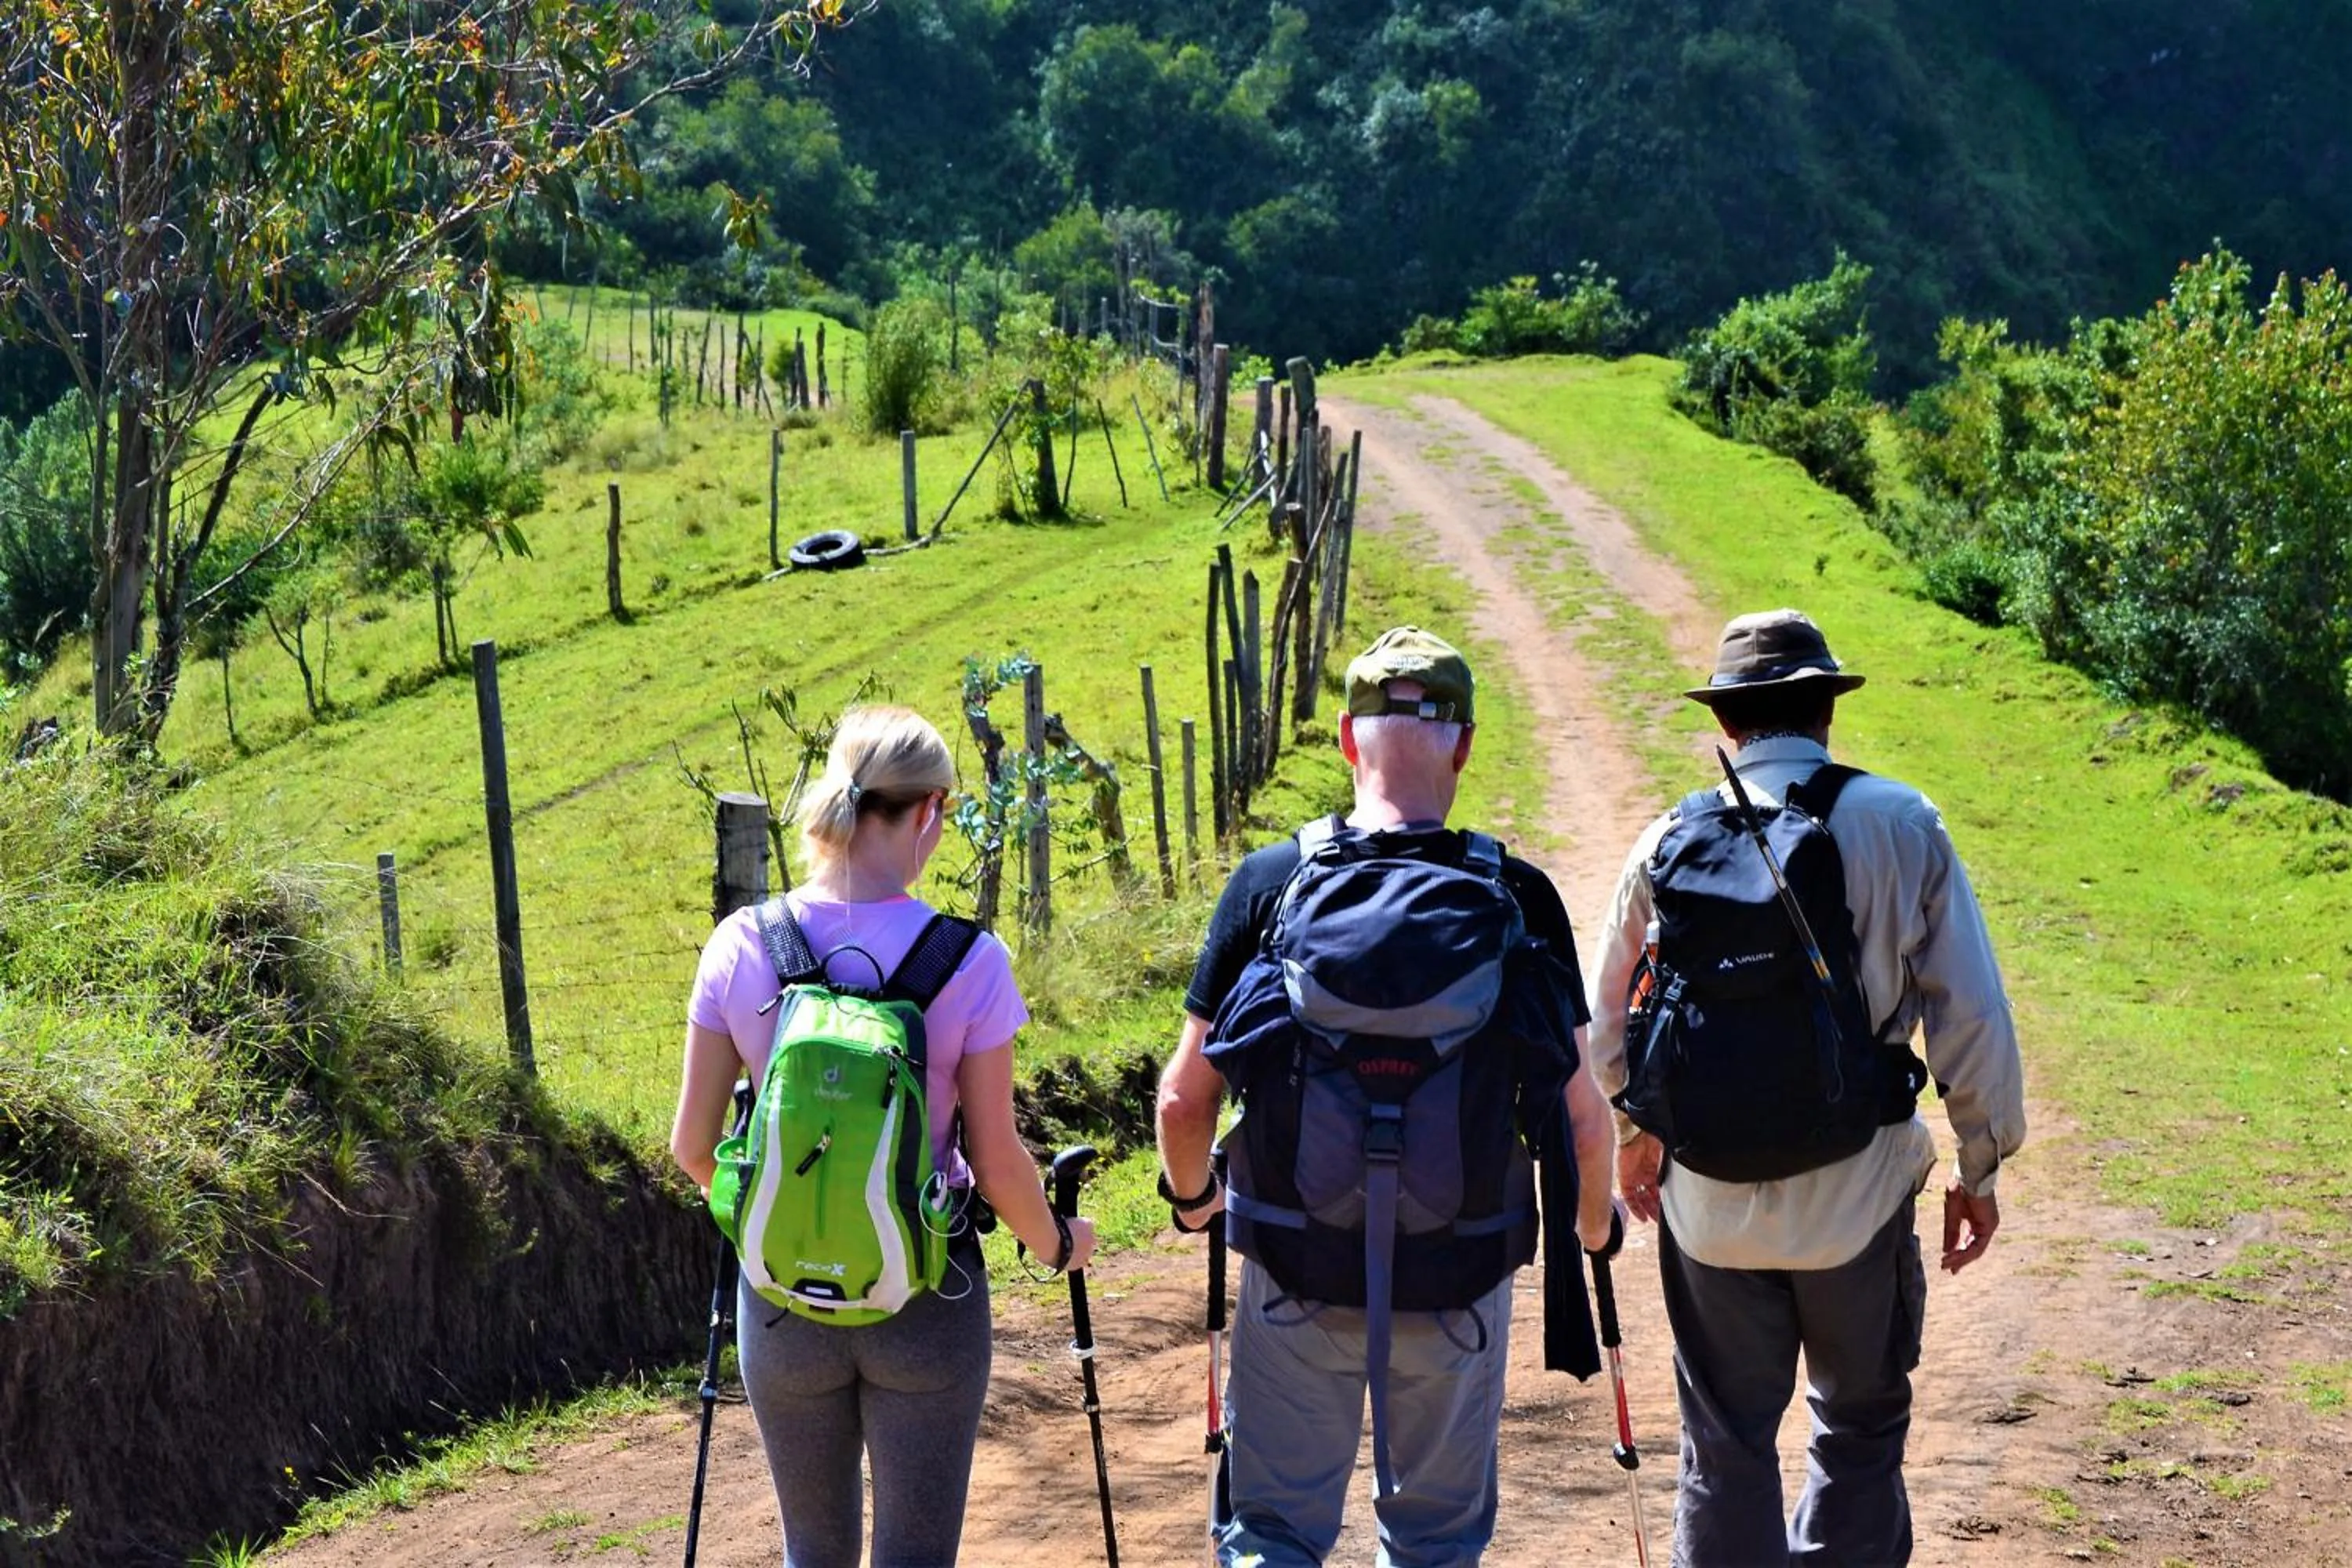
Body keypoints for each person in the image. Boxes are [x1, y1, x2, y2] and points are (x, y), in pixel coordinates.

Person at [1156, 626, 1617, 1568]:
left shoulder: (1272, 883)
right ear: (1464, 744)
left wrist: (1194, 1197)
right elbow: (1582, 1120)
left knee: (1272, 1535)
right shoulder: (1517, 892)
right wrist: (1596, 1227)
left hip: (1297, 1265)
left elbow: (1181, 1101)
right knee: (1434, 1544)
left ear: (1344, 737)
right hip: (1457, 1277)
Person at [1588, 608, 2027, 1566]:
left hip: (1709, 1201)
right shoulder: (1902, 823)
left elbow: (1604, 1021)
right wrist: (1979, 1165)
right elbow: (1972, 1011)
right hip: (1857, 1191)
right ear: (1827, 708)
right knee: (1858, 1424)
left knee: (1725, 1437)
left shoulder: (1669, 835)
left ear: (1727, 720)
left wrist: (1633, 1131)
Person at [670, 703, 1097, 1568]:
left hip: (782, 1303)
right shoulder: (970, 961)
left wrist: (789, 1220)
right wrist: (1058, 1243)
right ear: (930, 809)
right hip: (925, 1298)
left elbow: (693, 1146)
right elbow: (997, 1160)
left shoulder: (741, 944)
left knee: (812, 1552)